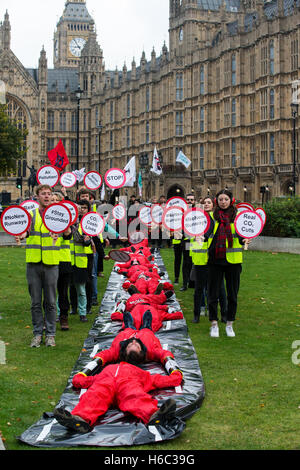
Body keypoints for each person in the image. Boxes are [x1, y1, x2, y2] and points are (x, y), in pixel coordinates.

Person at [54, 362, 181, 433]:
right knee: (95, 395)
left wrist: (176, 374)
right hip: (105, 382)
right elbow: (78, 381)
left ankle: (154, 415)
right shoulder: (103, 372)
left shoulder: (139, 372)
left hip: (128, 383)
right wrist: (81, 374)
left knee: (135, 396)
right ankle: (79, 419)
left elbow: (158, 380)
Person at [15, 185, 61, 348]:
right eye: (43, 194)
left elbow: (67, 233)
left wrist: (65, 231)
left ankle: (50, 334)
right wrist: (22, 234)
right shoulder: (32, 214)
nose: (47, 196)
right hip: (33, 263)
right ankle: (37, 334)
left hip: (51, 263)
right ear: (37, 196)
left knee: (50, 301)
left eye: (49, 194)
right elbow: (26, 231)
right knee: (35, 302)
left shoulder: (57, 215)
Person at [206, 189, 248, 338]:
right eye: (221, 199)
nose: (223, 202)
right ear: (217, 201)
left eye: (226, 199)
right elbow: (205, 234)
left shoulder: (238, 218)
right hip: (215, 260)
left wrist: (245, 240)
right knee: (213, 294)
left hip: (233, 261)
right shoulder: (211, 217)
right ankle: (214, 323)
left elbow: (243, 235)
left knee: (232, 295)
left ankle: (230, 323)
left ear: (231, 200)